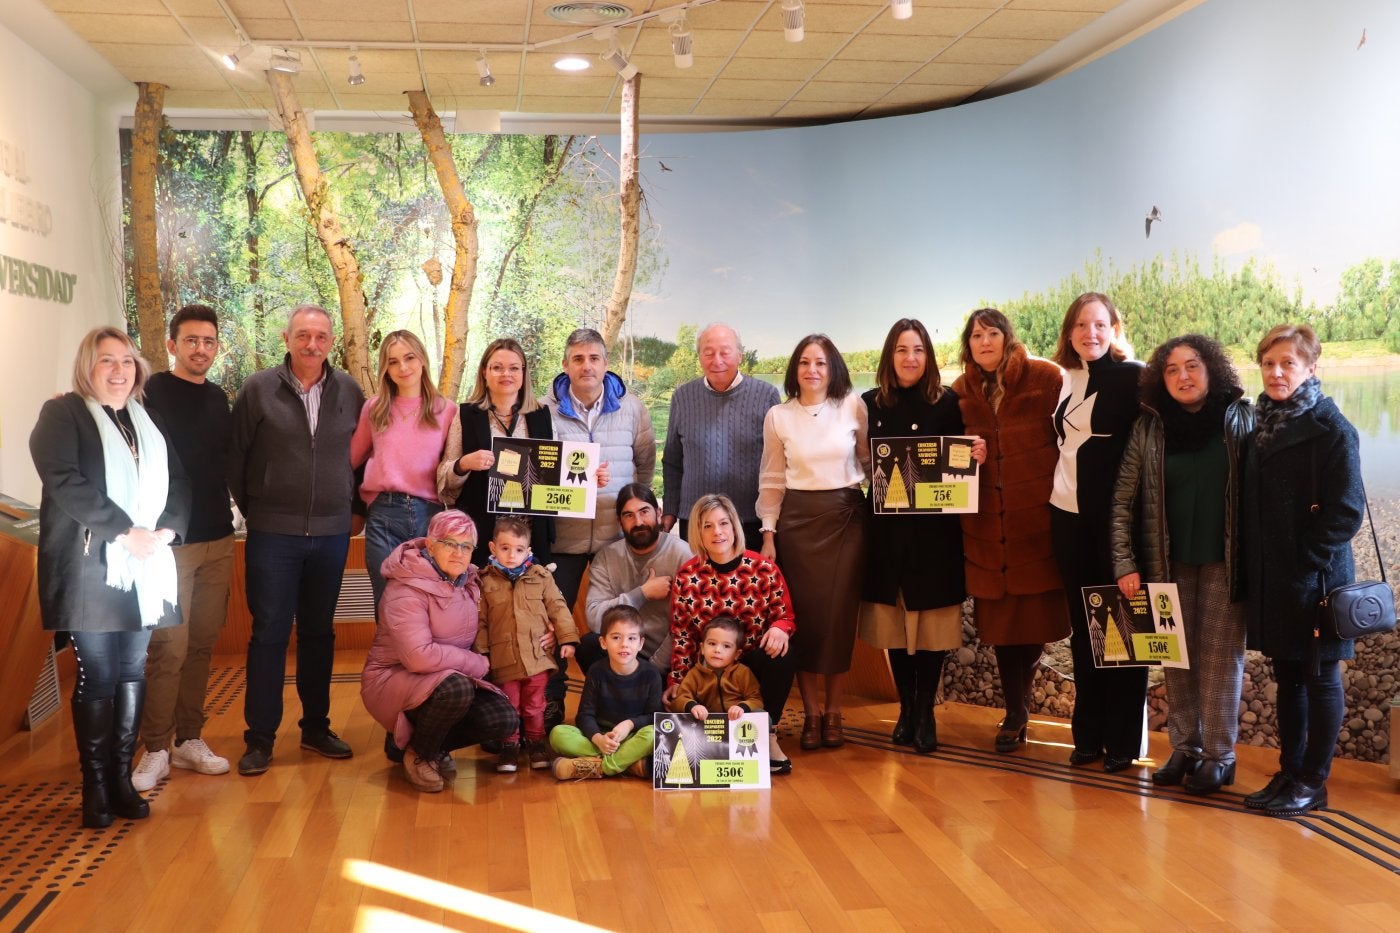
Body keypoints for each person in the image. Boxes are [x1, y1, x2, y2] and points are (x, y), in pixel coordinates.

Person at [29, 326, 190, 828]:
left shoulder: (147, 418)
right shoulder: (63, 414)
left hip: (144, 566)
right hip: (90, 568)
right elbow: (63, 481)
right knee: (97, 675)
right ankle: (95, 785)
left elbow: (180, 481)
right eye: (106, 362)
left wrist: (166, 532)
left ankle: (121, 778)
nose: (119, 371)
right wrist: (126, 532)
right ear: (87, 367)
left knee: (131, 672)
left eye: (126, 361)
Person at [1111, 335, 1254, 795]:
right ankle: (1186, 748)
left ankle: (1219, 755)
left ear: (1211, 369)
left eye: (1191, 366)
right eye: (1171, 370)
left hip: (1225, 562)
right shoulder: (1149, 428)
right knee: (1175, 657)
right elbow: (1122, 502)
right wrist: (1123, 562)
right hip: (1165, 563)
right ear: (1161, 379)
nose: (1183, 377)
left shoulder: (1240, 420)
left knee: (1220, 659)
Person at [228, 304, 365, 776]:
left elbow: (362, 458)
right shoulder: (257, 388)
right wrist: (259, 510)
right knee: (268, 634)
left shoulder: (349, 390)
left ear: (332, 342)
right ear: (287, 337)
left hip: (330, 535)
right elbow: (236, 457)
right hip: (272, 535)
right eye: (303, 335)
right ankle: (260, 739)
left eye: (321, 337)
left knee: (318, 633)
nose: (312, 344)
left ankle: (315, 728)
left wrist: (354, 511)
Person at [1240, 324, 1364, 817]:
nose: (1276, 372)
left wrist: (1305, 563)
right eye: (1269, 363)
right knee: (1288, 676)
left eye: (1288, 363)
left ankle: (1314, 780)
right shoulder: (1261, 425)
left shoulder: (1332, 428)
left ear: (1312, 368)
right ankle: (1290, 771)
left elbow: (1347, 509)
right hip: (1276, 580)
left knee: (1321, 678)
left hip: (1316, 579)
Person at [861, 319, 984, 753]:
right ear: (888, 357)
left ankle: (927, 712)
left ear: (928, 357)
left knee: (931, 630)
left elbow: (965, 458)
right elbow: (855, 463)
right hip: (888, 537)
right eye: (901, 350)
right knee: (896, 628)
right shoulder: (868, 404)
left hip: (935, 538)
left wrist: (976, 453)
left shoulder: (950, 404)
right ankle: (906, 709)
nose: (910, 358)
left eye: (918, 350)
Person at [953, 309, 1069, 754]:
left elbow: (1071, 438)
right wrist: (968, 454)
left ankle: (1019, 708)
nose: (985, 342)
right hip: (985, 525)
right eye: (976, 335)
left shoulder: (1045, 379)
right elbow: (946, 456)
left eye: (992, 333)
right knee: (1001, 624)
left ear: (1007, 338)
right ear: (968, 344)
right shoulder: (960, 391)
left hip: (1034, 522)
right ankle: (1017, 710)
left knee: (1033, 619)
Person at [131, 305, 236, 792]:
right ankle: (154, 747)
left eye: (209, 341)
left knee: (201, 644)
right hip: (171, 543)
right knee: (168, 648)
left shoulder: (218, 398)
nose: (200, 349)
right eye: (191, 340)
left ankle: (188, 739)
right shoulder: (148, 394)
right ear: (172, 345)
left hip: (219, 539)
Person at [757, 333, 868, 751]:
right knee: (801, 620)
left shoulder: (854, 406)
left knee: (839, 621)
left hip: (845, 521)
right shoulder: (778, 416)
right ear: (795, 369)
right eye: (804, 362)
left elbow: (868, 461)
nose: (812, 370)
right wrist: (769, 532)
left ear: (833, 366)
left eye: (820, 362)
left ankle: (835, 711)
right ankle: (811, 713)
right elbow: (771, 478)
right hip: (797, 525)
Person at [1049, 292, 1145, 772]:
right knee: (1083, 633)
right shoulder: (1063, 379)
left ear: (1114, 329)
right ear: (1070, 332)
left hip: (1115, 525)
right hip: (1066, 518)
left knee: (1122, 629)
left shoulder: (1133, 378)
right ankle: (1086, 735)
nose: (1091, 333)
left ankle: (1124, 742)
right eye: (1082, 325)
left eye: (1100, 325)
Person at [361, 510, 519, 792]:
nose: (458, 553)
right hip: (392, 679)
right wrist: (477, 663)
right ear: (430, 545)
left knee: (503, 719)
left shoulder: (468, 581)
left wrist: (548, 628)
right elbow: (417, 656)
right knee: (457, 688)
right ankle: (419, 755)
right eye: (449, 543)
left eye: (466, 546)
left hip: (443, 678)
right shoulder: (406, 588)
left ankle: (427, 746)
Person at [543, 327, 652, 729]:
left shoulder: (632, 409)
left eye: (594, 358)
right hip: (564, 539)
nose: (586, 365)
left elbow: (645, 465)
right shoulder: (544, 411)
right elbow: (538, 473)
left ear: (606, 364)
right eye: (577, 358)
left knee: (621, 623)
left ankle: (627, 704)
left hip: (614, 538)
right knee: (554, 625)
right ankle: (551, 703)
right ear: (565, 365)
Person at [671, 493, 797, 773]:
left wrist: (780, 628)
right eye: (707, 526)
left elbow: (784, 615)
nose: (717, 532)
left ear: (734, 527)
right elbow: (682, 634)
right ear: (698, 533)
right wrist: (676, 679)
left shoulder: (763, 569)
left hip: (751, 662)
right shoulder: (687, 576)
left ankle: (768, 731)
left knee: (784, 651)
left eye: (724, 523)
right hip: (707, 667)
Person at [351, 330, 454, 611]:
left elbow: (454, 469)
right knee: (388, 605)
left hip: (430, 516)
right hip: (384, 515)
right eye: (393, 361)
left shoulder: (447, 411)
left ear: (422, 359)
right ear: (385, 368)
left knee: (428, 606)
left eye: (409, 357)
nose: (403, 367)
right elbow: (350, 459)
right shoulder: (374, 409)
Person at [438, 338, 555, 568]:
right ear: (484, 372)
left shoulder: (542, 415)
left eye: (514, 368)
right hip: (482, 533)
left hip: (530, 538)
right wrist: (464, 464)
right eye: (497, 367)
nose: (506, 374)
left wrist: (591, 477)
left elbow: (556, 471)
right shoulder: (466, 415)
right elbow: (443, 479)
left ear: (523, 373)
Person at [476, 515, 580, 773]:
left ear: (528, 551)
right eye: (505, 548)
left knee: (535, 705)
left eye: (519, 549)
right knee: (509, 705)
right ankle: (509, 745)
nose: (512, 555)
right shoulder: (484, 581)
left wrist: (567, 638)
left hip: (537, 658)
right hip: (504, 659)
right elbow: (479, 622)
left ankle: (535, 742)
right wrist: (482, 653)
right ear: (492, 548)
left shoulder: (541, 577)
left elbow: (558, 607)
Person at [661, 323, 779, 542]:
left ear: (740, 356)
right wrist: (669, 509)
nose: (717, 361)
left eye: (725, 352)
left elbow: (777, 465)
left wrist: (771, 523)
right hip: (696, 520)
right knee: (697, 577)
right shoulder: (683, 397)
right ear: (699, 357)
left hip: (750, 521)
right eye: (708, 353)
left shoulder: (767, 395)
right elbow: (672, 461)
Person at [580, 483, 690, 674]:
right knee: (588, 646)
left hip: (668, 660)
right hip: (623, 655)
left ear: (658, 513)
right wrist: (642, 593)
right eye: (628, 515)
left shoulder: (683, 555)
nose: (638, 521)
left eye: (644, 511)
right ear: (619, 521)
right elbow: (595, 620)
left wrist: (651, 673)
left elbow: (686, 625)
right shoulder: (607, 557)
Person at [549, 605, 663, 780]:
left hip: (632, 737)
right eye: (616, 637)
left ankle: (600, 767)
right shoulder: (597, 671)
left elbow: (654, 716)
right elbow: (584, 715)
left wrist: (629, 724)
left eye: (632, 638)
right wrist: (598, 739)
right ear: (603, 642)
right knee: (558, 734)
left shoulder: (651, 674)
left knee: (654, 734)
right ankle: (629, 765)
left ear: (641, 643)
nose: (624, 644)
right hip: (601, 738)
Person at [670, 616, 764, 722]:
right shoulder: (694, 674)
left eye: (726, 646)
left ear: (737, 654)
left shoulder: (743, 673)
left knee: (762, 715)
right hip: (708, 726)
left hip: (737, 724)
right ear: (702, 648)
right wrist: (693, 706)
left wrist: (742, 707)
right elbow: (678, 701)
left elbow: (756, 700)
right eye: (712, 643)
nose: (717, 650)